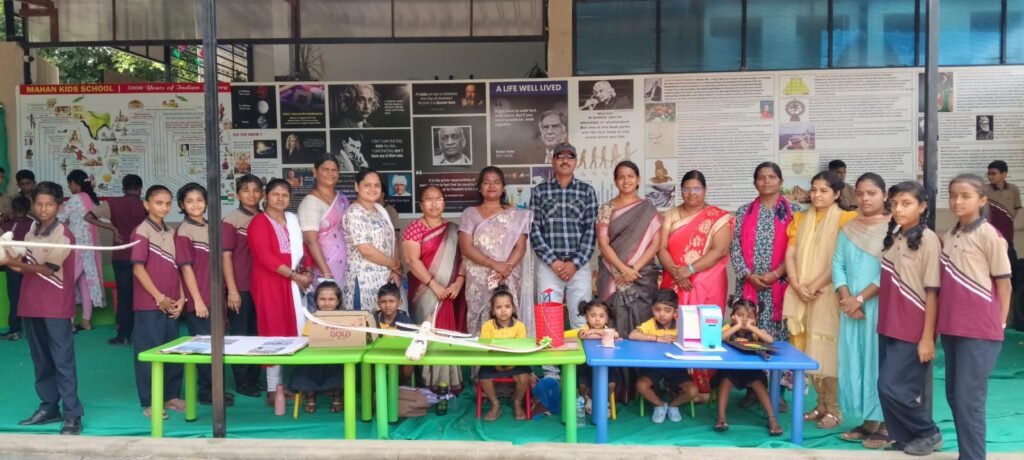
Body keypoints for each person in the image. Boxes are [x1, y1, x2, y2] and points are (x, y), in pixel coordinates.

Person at [938, 174, 1012, 460]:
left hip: (980, 329)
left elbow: (1004, 285)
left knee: (969, 399)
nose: (957, 201)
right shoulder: (951, 234)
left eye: (965, 196)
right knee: (955, 397)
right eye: (953, 195)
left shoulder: (989, 235)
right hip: (952, 327)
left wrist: (999, 324)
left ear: (982, 200)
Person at [2, 182, 83, 435]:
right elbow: (20, 266)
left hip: (55, 305)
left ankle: (72, 414)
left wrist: (14, 262)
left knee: (62, 360)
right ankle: (49, 407)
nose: (44, 209)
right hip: (30, 303)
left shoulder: (64, 235)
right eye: (39, 204)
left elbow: (48, 269)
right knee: (41, 360)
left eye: (49, 204)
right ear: (33, 205)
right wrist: (8, 259)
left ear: (59, 206)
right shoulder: (30, 233)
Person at [783, 170, 857, 430]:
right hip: (800, 292)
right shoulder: (800, 218)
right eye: (814, 189)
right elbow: (790, 253)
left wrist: (813, 286)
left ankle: (835, 409)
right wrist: (795, 283)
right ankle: (821, 404)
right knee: (807, 348)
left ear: (837, 194)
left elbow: (840, 259)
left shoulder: (847, 220)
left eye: (824, 190)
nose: (817, 195)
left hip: (828, 293)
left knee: (827, 349)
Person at [877, 181, 943, 456]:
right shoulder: (896, 235)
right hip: (889, 323)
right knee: (885, 387)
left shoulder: (928, 240)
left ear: (922, 207)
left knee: (892, 387)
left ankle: (928, 432)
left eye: (906, 204)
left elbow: (933, 292)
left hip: (913, 326)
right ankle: (904, 438)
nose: (899, 209)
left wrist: (927, 338)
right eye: (895, 204)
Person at [833, 173, 891, 448]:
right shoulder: (849, 228)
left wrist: (859, 299)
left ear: (884, 195)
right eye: (860, 193)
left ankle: (887, 422)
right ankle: (868, 421)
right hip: (851, 309)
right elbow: (838, 265)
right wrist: (846, 299)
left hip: (879, 306)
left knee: (879, 362)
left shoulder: (893, 228)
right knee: (855, 360)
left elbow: (889, 270)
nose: (865, 198)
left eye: (872, 193)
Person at [248, 179, 313, 412]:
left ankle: (285, 385)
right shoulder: (259, 222)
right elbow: (264, 256)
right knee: (274, 331)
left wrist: (306, 272)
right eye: (275, 194)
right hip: (270, 283)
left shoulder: (293, 220)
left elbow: (303, 251)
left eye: (285, 195)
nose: (280, 199)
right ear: (266, 196)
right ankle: (272, 389)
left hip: (294, 283)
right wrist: (295, 276)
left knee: (292, 329)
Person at [174, 183, 234, 407]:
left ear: (207, 203)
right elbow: (186, 269)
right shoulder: (184, 231)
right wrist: (197, 301)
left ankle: (217, 389)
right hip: (200, 300)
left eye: (199, 200)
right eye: (189, 201)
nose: (195, 205)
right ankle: (207, 392)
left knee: (218, 345)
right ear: (182, 205)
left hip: (216, 296)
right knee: (204, 346)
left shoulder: (212, 227)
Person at [130, 185, 186, 419]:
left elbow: (177, 268)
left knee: (172, 350)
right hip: (149, 304)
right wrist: (159, 297)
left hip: (172, 303)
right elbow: (138, 268)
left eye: (167, 203)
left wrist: (181, 297)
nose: (164, 207)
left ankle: (171, 396)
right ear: (147, 205)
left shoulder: (171, 232)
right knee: (149, 353)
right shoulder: (141, 231)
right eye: (158, 203)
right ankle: (150, 401)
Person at [403, 185, 465, 389]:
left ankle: (447, 382)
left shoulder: (454, 229)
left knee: (446, 334)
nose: (434, 203)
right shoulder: (415, 228)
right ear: (421, 205)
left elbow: (464, 259)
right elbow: (412, 261)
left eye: (438, 198)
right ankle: (427, 381)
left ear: (444, 202)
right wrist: (433, 285)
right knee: (426, 331)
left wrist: (459, 281)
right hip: (424, 292)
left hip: (450, 292)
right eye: (428, 199)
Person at [530, 143, 597, 328]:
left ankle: (582, 350)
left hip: (579, 268)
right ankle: (551, 348)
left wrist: (574, 264)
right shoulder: (540, 191)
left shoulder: (587, 191)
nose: (565, 160)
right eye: (560, 156)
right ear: (553, 161)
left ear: (576, 162)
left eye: (570, 157)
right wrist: (554, 262)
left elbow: (591, 230)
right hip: (549, 267)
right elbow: (534, 229)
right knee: (548, 319)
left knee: (582, 319)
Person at [460, 167, 531, 335]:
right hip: (479, 279)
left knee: (508, 316)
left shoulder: (516, 215)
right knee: (480, 322)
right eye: (487, 182)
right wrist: (494, 264)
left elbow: (520, 247)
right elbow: (466, 247)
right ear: (479, 188)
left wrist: (506, 268)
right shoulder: (470, 213)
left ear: (503, 188)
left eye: (496, 182)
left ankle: (510, 352)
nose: (491, 186)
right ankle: (480, 352)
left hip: (507, 275)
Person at [596, 161, 662, 339]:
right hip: (612, 274)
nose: (626, 181)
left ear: (638, 179)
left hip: (641, 275)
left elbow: (656, 243)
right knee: (611, 321)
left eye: (630, 176)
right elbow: (603, 243)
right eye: (621, 177)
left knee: (643, 322)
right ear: (615, 181)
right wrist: (623, 270)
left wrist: (634, 269)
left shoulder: (648, 209)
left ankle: (641, 358)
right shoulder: (606, 209)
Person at [659, 170, 732, 312]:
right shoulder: (670, 215)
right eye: (686, 189)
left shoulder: (718, 217)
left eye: (696, 189)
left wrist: (690, 270)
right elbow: (661, 248)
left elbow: (720, 250)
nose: (691, 193)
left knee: (707, 321)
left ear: (705, 190)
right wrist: (678, 274)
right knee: (675, 321)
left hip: (709, 281)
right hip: (675, 278)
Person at [86, 174, 146, 345]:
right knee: (144, 294)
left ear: (123, 188)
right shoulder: (146, 205)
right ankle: (144, 333)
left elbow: (88, 217)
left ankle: (124, 335)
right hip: (143, 255)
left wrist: (112, 227)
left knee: (124, 297)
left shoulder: (112, 204)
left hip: (121, 254)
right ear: (140, 189)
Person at [713, 297, 782, 436]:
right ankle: (721, 417)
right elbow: (717, 338)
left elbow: (770, 340)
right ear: (733, 316)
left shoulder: (755, 331)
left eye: (749, 317)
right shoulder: (728, 328)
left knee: (758, 383)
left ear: (755, 319)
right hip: (730, 369)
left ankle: (772, 419)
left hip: (750, 370)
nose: (744, 320)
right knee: (725, 381)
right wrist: (737, 325)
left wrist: (751, 327)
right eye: (740, 315)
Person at [221, 175, 263, 398]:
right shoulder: (231, 220)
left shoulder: (265, 218)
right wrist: (232, 290)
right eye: (246, 190)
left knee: (258, 333)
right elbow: (225, 257)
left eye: (256, 190)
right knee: (241, 334)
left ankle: (254, 377)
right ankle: (242, 380)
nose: (251, 195)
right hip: (241, 287)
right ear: (237, 194)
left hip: (262, 287)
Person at [629, 289, 698, 424]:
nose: (661, 314)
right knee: (641, 386)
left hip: (677, 368)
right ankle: (660, 405)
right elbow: (632, 335)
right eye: (657, 310)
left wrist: (682, 343)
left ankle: (673, 405)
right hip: (653, 368)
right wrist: (656, 338)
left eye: (667, 310)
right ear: (652, 310)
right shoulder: (650, 324)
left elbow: (694, 340)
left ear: (675, 312)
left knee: (693, 391)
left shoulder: (681, 324)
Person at [343, 168, 401, 310]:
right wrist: (394, 265)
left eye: (377, 185)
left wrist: (394, 271)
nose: (373, 189)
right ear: (357, 187)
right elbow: (366, 250)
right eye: (367, 185)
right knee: (366, 321)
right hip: (363, 281)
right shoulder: (354, 213)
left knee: (383, 320)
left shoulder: (380, 210)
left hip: (384, 279)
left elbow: (392, 241)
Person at [58, 170, 105, 331]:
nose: (69, 187)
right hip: (91, 247)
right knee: (86, 284)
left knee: (68, 283)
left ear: (73, 183)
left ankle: (69, 321)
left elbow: (58, 219)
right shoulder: (93, 200)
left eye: (69, 184)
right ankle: (86, 321)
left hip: (77, 247)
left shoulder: (75, 200)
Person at [478, 286, 532, 422]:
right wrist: (496, 365)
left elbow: (520, 348)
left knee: (524, 377)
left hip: (515, 362)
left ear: (513, 308)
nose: (503, 310)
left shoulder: (520, 326)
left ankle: (517, 402)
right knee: (483, 377)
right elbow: (486, 348)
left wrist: (511, 365)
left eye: (507, 306)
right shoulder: (487, 326)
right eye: (498, 307)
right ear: (493, 310)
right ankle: (495, 404)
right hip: (493, 362)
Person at [298, 155, 350, 294]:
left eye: (334, 170)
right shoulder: (310, 202)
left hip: (346, 265)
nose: (330, 173)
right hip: (323, 267)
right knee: (326, 302)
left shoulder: (342, 198)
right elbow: (310, 241)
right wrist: (326, 273)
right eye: (325, 169)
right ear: (315, 172)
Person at [292, 281, 345, 413]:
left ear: (338, 301)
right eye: (322, 299)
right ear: (316, 301)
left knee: (340, 366)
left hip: (336, 356)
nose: (327, 303)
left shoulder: (344, 318)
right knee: (305, 367)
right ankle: (310, 396)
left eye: (331, 299)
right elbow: (306, 340)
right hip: (316, 356)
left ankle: (337, 396)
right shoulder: (312, 318)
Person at [574, 299, 622, 415]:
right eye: (593, 316)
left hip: (606, 365)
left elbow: (616, 334)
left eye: (601, 316)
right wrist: (606, 335)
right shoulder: (583, 329)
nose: (597, 319)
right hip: (587, 365)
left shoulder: (608, 330)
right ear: (586, 317)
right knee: (582, 385)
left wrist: (595, 331)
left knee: (611, 384)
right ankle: (585, 399)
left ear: (606, 319)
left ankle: (604, 402)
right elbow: (584, 336)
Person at [0, 196, 32, 341]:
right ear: (29, 209)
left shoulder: (7, 226)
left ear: (12, 209)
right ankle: (33, 330)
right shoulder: (34, 225)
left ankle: (15, 330)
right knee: (32, 298)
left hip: (12, 266)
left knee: (14, 299)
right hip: (31, 266)